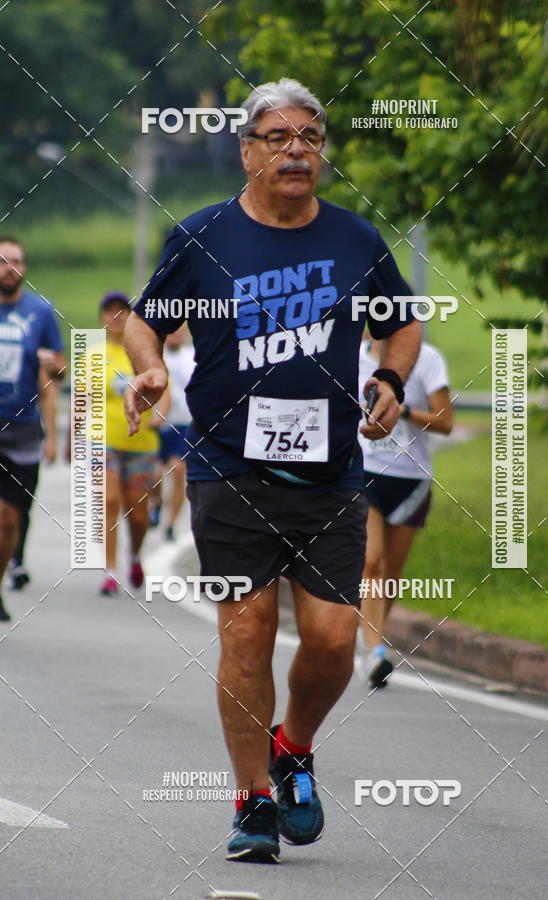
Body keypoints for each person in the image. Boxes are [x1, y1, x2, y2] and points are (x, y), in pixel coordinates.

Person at [123, 77, 420, 864]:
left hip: (330, 474)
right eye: (280, 138)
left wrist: (389, 381)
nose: (297, 151)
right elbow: (145, 326)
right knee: (247, 632)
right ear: (248, 151)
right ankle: (254, 801)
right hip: (226, 468)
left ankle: (293, 746)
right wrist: (150, 372)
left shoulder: (356, 240)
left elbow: (404, 324)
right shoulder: (202, 235)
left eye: (311, 139)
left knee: (329, 643)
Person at [358, 337, 453, 688]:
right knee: (371, 561)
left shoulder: (428, 359)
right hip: (365, 473)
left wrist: (404, 409)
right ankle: (373, 652)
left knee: (392, 573)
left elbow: (445, 423)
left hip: (410, 479)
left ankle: (369, 636)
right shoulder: (354, 357)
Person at [0, 236, 66, 622]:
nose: (11, 268)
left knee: (11, 518)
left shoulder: (40, 312)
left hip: (23, 430)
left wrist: (51, 364)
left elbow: (59, 370)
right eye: (4, 261)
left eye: (18, 262)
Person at [97, 292, 168, 597]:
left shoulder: (142, 351)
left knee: (137, 514)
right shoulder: (94, 355)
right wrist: (72, 439)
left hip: (141, 442)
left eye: (122, 311)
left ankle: (135, 555)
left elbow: (164, 389)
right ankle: (110, 571)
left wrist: (160, 414)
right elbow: (83, 400)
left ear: (130, 316)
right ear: (102, 317)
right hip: (104, 440)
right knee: (109, 502)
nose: (116, 316)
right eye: (109, 311)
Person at [8, 362, 59, 590]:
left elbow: (49, 390)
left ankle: (16, 560)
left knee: (18, 507)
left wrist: (52, 439)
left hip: (24, 437)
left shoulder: (31, 334)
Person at [148, 325, 195, 541]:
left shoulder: (193, 356)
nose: (177, 335)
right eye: (172, 331)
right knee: (154, 473)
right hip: (159, 424)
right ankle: (156, 502)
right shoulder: (156, 356)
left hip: (183, 424)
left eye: (180, 332)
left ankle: (170, 524)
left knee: (177, 471)